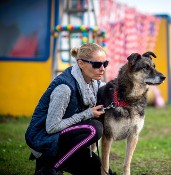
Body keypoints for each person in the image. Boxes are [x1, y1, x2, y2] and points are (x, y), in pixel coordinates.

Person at [25, 43, 113, 175]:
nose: (102, 69)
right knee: (94, 128)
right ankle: (49, 168)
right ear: (81, 63)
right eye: (96, 64)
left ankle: (52, 164)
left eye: (105, 64)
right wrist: (87, 113)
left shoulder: (94, 83)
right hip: (45, 140)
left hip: (67, 140)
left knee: (102, 172)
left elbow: (113, 89)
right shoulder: (64, 88)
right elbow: (51, 127)